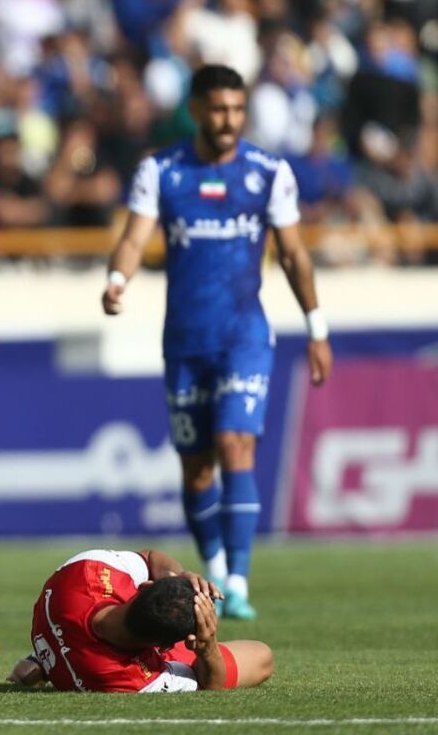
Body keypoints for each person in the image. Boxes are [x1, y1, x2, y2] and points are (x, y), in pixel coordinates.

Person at [102, 64, 332, 620]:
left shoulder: (268, 172)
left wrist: (317, 327)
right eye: (219, 109)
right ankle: (216, 565)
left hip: (243, 337)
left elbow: (294, 254)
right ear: (197, 110)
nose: (229, 120)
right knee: (197, 468)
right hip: (185, 343)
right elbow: (134, 237)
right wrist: (117, 279)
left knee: (235, 444)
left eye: (237, 109)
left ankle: (239, 580)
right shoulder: (162, 170)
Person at [7, 548, 274, 692]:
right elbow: (211, 683)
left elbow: (149, 557)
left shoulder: (87, 569)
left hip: (61, 626)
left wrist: (176, 575)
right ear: (166, 647)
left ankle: (43, 659)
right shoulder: (138, 679)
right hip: (99, 659)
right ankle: (44, 659)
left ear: (145, 586)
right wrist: (208, 648)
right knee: (262, 657)